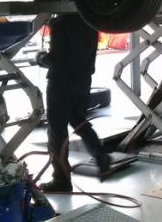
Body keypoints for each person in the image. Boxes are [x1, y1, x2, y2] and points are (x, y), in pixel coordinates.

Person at [38, 14, 110, 192]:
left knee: (57, 130)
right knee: (78, 119)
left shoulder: (60, 24)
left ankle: (61, 180)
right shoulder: (90, 21)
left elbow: (57, 60)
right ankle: (100, 154)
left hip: (61, 83)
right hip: (83, 80)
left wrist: (40, 58)